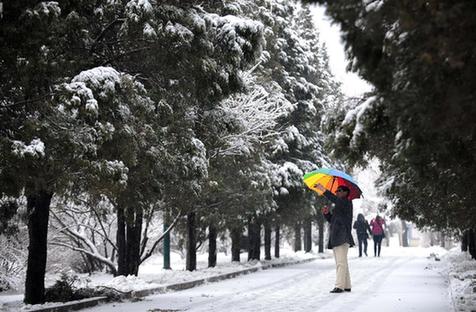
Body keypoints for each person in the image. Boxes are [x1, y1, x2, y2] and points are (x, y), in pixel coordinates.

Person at [314, 183, 354, 293]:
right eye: (337, 191)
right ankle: (346, 285)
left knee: (340, 263)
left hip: (343, 236)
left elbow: (335, 199)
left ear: (346, 192)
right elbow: (333, 221)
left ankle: (339, 286)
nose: (337, 192)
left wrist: (324, 190)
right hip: (336, 236)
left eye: (340, 190)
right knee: (342, 262)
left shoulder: (346, 202)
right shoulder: (339, 206)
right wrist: (327, 214)